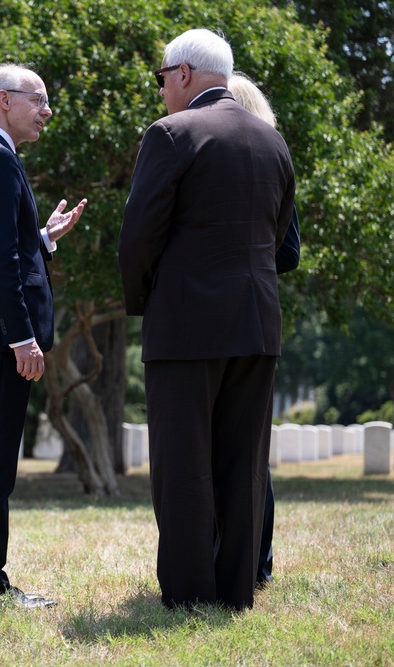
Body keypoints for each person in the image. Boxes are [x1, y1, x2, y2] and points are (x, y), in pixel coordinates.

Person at [118, 30, 296, 611]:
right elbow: (281, 239)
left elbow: (139, 236)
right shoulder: (273, 142)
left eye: (162, 76)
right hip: (257, 325)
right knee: (243, 463)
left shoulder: (171, 134)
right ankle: (236, 591)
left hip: (186, 326)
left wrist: (146, 301)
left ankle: (191, 593)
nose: (162, 87)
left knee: (184, 464)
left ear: (186, 73)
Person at [0, 63, 87, 608]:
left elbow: (5, 248)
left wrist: (43, 239)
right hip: (0, 338)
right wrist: (22, 338)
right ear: (4, 100)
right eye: (40, 100)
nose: (47, 112)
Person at [227, 71, 302, 587]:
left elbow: (289, 250)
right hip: (257, 314)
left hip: (226, 317)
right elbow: (290, 251)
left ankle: (247, 562)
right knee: (250, 451)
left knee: (234, 449)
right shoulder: (272, 158)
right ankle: (256, 565)